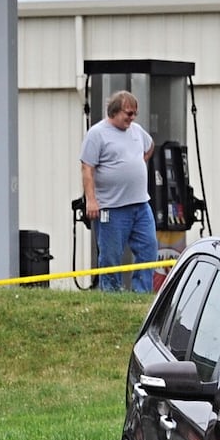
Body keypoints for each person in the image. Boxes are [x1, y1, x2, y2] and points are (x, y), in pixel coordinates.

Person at [80, 90, 158, 291]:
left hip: (140, 204)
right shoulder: (97, 134)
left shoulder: (137, 131)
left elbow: (150, 147)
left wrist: (137, 163)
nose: (132, 118)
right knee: (111, 256)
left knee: (148, 250)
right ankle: (111, 295)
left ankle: (141, 293)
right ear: (114, 112)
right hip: (112, 208)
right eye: (128, 113)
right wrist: (91, 200)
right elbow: (87, 168)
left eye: (134, 114)